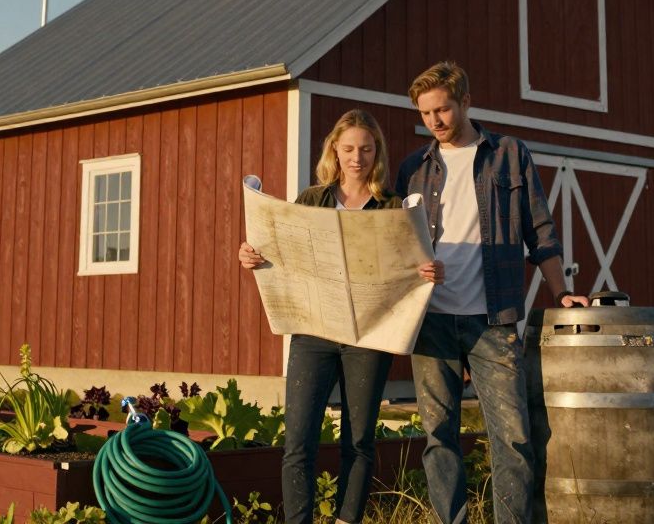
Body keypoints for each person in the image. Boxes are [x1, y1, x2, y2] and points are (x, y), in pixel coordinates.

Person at [396, 61, 588, 524]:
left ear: (465, 101)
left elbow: (539, 231)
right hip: (432, 320)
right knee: (440, 438)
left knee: (514, 439)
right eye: (426, 114)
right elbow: (392, 244)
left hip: (493, 318)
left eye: (443, 109)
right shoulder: (412, 169)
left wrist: (562, 292)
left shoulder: (509, 154)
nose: (435, 121)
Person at [238, 109, 400, 524]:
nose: (357, 158)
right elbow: (283, 252)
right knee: (299, 441)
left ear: (376, 151)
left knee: (359, 440)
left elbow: (404, 263)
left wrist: (426, 270)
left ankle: (347, 520)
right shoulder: (313, 200)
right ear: (335, 150)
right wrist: (253, 255)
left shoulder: (391, 205)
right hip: (313, 331)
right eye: (348, 148)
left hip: (369, 333)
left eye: (365, 148)